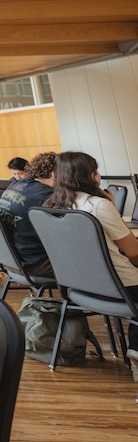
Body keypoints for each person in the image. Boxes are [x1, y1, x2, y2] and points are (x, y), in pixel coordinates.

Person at [44, 150, 138, 369]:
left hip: (79, 290)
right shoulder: (98, 205)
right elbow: (133, 252)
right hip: (120, 289)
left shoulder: (50, 207)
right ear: (90, 176)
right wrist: (111, 208)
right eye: (96, 171)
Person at [0, 152, 57, 277]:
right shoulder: (46, 195)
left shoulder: (13, 185)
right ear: (54, 174)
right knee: (86, 261)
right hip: (33, 264)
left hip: (10, 260)